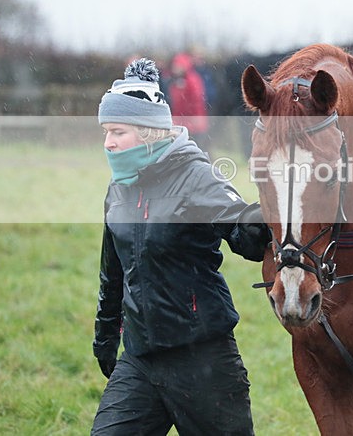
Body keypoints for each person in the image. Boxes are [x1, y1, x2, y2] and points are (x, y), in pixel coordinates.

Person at [92, 58, 270, 436]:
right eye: (106, 131)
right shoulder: (118, 188)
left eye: (118, 131)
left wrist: (275, 210)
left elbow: (247, 236)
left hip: (203, 359)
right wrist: (107, 336)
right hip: (140, 358)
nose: (108, 142)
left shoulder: (194, 175)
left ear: (148, 131)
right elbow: (114, 271)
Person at [168, 52, 211, 153]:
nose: (175, 68)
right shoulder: (176, 80)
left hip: (192, 122)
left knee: (196, 149)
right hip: (181, 121)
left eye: (177, 65)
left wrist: (195, 118)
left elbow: (197, 100)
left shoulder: (192, 80)